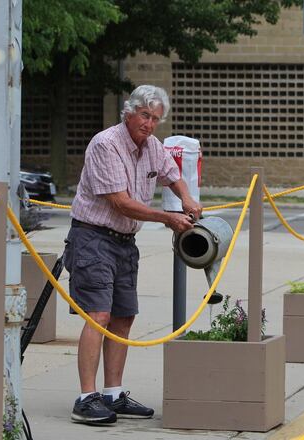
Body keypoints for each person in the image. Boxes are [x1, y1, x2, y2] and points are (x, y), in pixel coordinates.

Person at [64, 85, 201, 425]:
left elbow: (173, 175)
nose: (150, 124)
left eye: (156, 119)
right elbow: (120, 202)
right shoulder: (105, 144)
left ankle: (113, 393)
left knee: (124, 316)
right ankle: (86, 397)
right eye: (144, 116)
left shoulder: (152, 146)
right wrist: (167, 217)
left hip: (125, 242)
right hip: (92, 238)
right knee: (98, 315)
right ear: (129, 112)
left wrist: (187, 198)